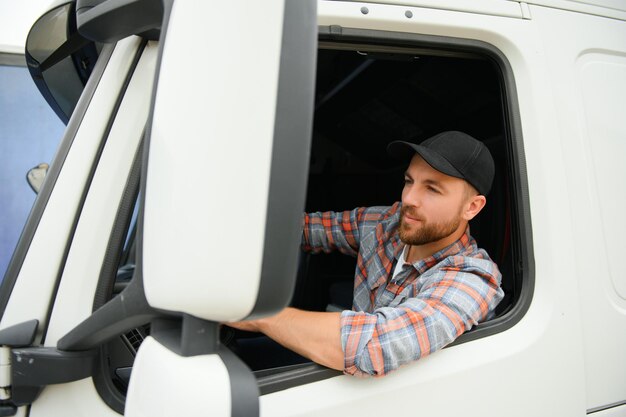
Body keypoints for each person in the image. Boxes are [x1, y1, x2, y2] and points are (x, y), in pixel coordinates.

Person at [229, 131, 504, 377]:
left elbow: (371, 346)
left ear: (472, 207)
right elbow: (308, 229)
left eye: (432, 188)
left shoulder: (473, 279)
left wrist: (256, 316)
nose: (409, 199)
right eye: (409, 181)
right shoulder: (387, 224)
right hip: (347, 381)